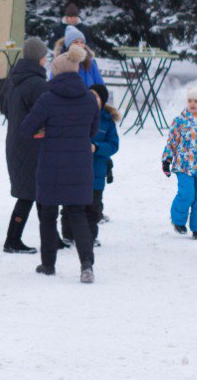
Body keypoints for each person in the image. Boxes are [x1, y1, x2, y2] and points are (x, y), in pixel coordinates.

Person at [17, 43, 102, 283]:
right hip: (80, 165)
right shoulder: (89, 99)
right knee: (77, 215)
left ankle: (48, 264)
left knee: (48, 214)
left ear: (55, 72)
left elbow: (25, 129)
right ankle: (87, 264)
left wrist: (43, 131)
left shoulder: (47, 99)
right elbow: (92, 131)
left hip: (51, 165)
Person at [1, 37, 50, 255]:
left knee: (38, 192)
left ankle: (52, 238)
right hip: (33, 144)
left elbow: (5, 108)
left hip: (15, 141)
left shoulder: (13, 79)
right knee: (30, 193)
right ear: (40, 58)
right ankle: (12, 240)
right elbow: (46, 114)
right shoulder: (37, 83)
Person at [161, 86, 197, 240]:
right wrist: (167, 159)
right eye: (190, 100)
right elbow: (172, 142)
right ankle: (178, 221)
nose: (192, 103)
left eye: (196, 101)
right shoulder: (180, 121)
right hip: (183, 165)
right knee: (187, 194)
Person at [88, 83, 120, 243]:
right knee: (73, 205)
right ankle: (69, 234)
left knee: (94, 206)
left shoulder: (107, 122)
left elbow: (114, 145)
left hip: (97, 171)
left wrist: (97, 147)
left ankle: (91, 236)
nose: (91, 99)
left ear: (102, 100)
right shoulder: (79, 116)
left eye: (95, 96)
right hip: (77, 170)